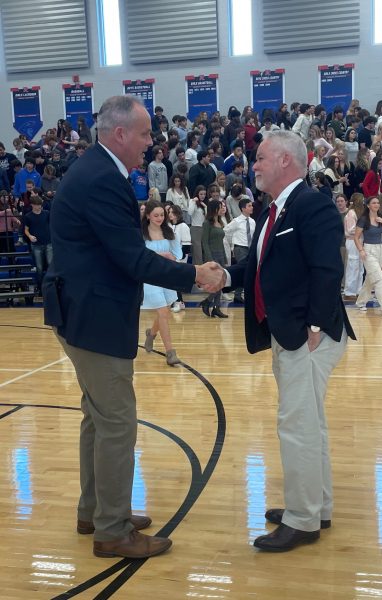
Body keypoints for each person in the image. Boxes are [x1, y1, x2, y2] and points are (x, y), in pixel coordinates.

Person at [42, 95, 224, 561]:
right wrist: (193, 275)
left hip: (83, 311)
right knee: (118, 422)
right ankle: (113, 530)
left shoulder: (98, 170)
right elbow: (130, 257)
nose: (151, 142)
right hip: (93, 315)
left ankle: (96, 510)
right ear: (119, 133)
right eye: (144, 133)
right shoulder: (102, 178)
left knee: (97, 418)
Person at [224, 130, 355, 552]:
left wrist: (314, 326)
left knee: (296, 427)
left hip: (307, 336)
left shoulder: (312, 204)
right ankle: (316, 506)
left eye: (260, 157)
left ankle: (303, 520)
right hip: (292, 333)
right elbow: (257, 267)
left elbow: (327, 268)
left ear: (285, 160)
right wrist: (223, 276)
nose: (253, 164)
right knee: (308, 425)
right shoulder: (272, 212)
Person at [141, 200, 183, 365]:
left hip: (165, 276)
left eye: (162, 215)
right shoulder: (141, 234)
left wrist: (173, 257)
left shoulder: (169, 231)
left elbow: (177, 253)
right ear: (148, 216)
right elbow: (141, 255)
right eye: (156, 215)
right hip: (149, 278)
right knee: (164, 312)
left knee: (163, 312)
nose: (159, 218)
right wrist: (161, 255)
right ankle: (170, 353)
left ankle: (151, 333)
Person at [354, 196, 382, 316]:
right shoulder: (363, 219)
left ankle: (361, 302)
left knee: (371, 278)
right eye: (374, 203)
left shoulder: (381, 217)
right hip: (368, 250)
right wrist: (361, 250)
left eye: (378, 203)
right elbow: (356, 237)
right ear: (368, 205)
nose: (376, 205)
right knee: (379, 278)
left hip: (380, 249)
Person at [223, 198, 255, 303]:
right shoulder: (236, 221)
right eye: (249, 206)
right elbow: (226, 230)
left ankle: (238, 294)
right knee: (244, 270)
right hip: (240, 248)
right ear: (243, 208)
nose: (252, 207)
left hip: (249, 248)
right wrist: (232, 243)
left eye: (251, 205)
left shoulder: (252, 221)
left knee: (247, 271)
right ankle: (238, 294)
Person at [200, 199, 228, 318]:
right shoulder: (207, 223)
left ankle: (215, 306)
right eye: (220, 206)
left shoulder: (220, 222)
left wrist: (225, 257)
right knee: (217, 282)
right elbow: (204, 242)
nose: (222, 208)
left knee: (222, 281)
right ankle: (208, 302)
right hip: (212, 254)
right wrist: (210, 259)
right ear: (214, 208)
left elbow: (221, 242)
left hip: (221, 253)